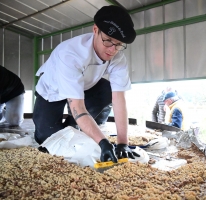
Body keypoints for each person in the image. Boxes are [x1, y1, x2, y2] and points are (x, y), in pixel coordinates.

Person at [33, 5, 139, 163]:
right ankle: (67, 125)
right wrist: (103, 143)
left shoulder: (118, 58)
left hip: (84, 86)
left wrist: (123, 143)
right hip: (52, 92)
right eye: (108, 41)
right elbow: (78, 106)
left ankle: (73, 124)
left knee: (106, 90)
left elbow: (119, 99)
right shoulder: (70, 53)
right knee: (46, 138)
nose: (112, 49)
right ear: (95, 30)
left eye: (118, 44)